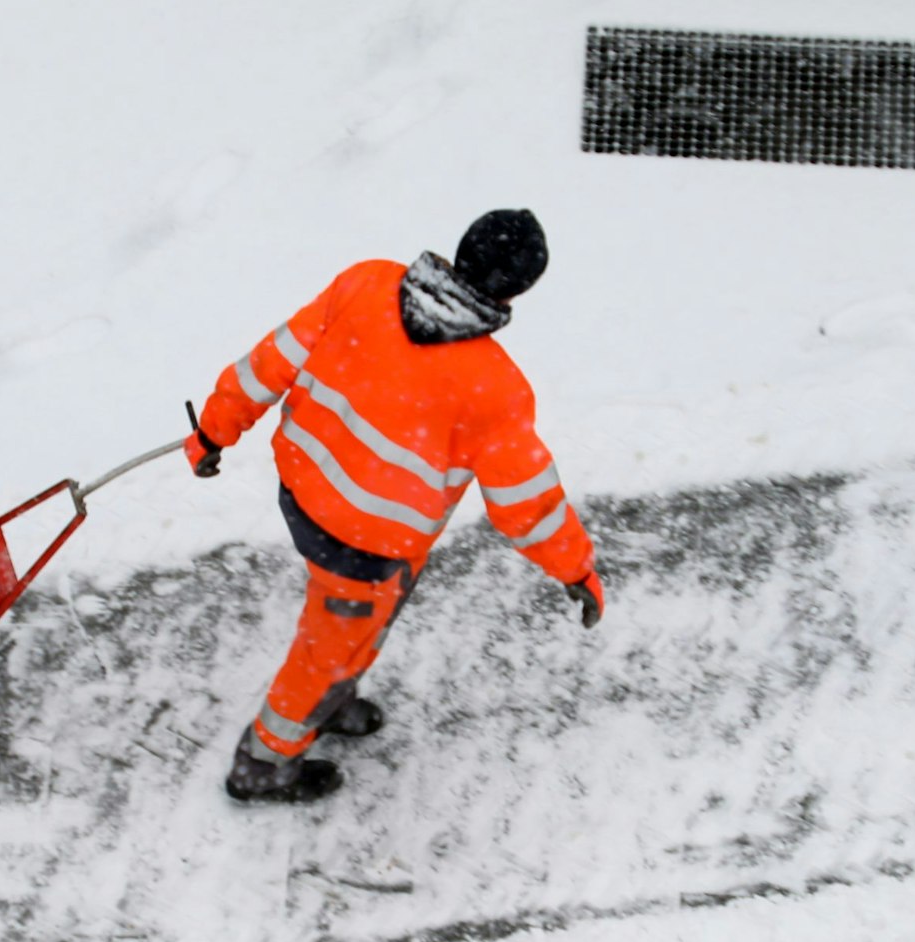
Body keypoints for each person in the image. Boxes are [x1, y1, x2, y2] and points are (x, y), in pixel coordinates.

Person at [185, 209, 605, 804]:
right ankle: (263, 764)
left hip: (303, 492)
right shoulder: (496, 389)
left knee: (363, 623)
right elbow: (527, 505)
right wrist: (576, 569)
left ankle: (331, 701)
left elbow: (268, 364)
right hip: (365, 549)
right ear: (519, 290)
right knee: (326, 649)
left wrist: (214, 431)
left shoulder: (366, 284)